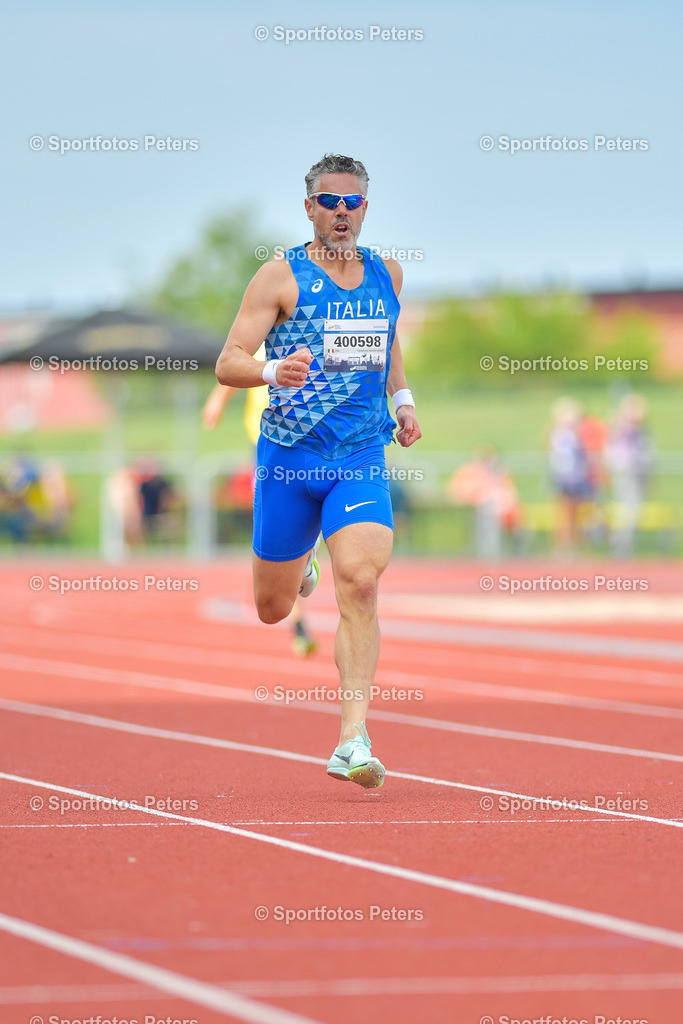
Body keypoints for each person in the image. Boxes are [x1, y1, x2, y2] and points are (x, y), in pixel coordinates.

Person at [215, 153, 422, 788]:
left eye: (351, 202)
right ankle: (299, 562)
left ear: (365, 208)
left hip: (359, 455)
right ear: (309, 208)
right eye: (329, 201)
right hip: (288, 460)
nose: (341, 212)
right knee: (272, 609)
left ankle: (352, 740)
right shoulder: (280, 277)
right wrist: (272, 370)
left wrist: (403, 401)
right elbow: (228, 360)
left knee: (360, 581)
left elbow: (385, 344)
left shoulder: (387, 273)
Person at [202, 351, 318, 658]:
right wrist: (217, 400)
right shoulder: (262, 342)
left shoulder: (305, 338)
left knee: (298, 521)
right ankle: (297, 622)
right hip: (265, 445)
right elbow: (235, 369)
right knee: (275, 528)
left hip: (304, 438)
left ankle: (306, 552)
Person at [606, 392, 654, 557]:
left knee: (634, 509)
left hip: (638, 472)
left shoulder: (641, 430)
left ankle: (625, 542)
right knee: (628, 508)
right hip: (626, 471)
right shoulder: (623, 428)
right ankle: (620, 542)